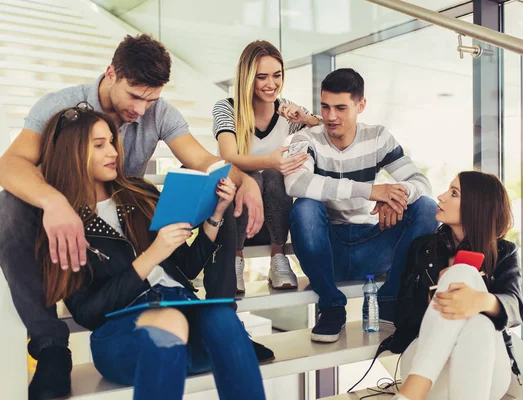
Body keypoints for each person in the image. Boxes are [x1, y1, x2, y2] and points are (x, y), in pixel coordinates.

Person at [0, 34, 268, 399]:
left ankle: (223, 312)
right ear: (111, 74)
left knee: (223, 191)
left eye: (151, 100)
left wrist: (241, 181)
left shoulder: (141, 184)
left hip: (133, 215)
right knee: (9, 205)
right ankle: (50, 346)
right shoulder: (61, 108)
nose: (142, 111)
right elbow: (11, 165)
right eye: (135, 96)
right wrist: (55, 203)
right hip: (66, 216)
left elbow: (205, 161)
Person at [35, 106, 266, 400]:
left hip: (185, 313)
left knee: (222, 316)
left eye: (111, 142)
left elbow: (185, 269)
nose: (113, 152)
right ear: (72, 153)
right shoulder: (63, 221)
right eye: (99, 145)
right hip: (123, 333)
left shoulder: (139, 193)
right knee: (171, 322)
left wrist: (215, 216)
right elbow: (87, 313)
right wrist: (150, 257)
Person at [284, 68, 438, 343]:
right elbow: (296, 183)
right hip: (327, 249)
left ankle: (391, 298)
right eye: (325, 107)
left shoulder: (378, 137)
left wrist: (398, 195)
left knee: (425, 206)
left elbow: (421, 182)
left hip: (372, 246)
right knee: (305, 206)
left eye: (341, 108)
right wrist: (371, 191)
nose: (331, 117)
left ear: (361, 105)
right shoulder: (305, 139)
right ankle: (331, 306)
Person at [391, 171, 523, 400]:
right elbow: (401, 316)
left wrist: (480, 301)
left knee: (476, 309)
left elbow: (515, 308)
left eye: (454, 193)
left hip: (489, 370)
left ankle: (411, 393)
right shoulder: (421, 248)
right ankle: (418, 383)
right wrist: (431, 301)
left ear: (477, 205)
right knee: (475, 310)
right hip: (428, 364)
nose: (441, 197)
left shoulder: (504, 252)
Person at [213, 40, 322, 293]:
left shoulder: (286, 111)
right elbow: (229, 155)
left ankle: (278, 257)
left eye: (277, 75)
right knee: (253, 174)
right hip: (235, 213)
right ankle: (235, 259)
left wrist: (305, 119)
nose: (271, 84)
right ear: (247, 77)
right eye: (261, 77)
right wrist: (270, 161)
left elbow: (326, 130)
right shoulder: (226, 108)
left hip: (274, 217)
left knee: (274, 175)